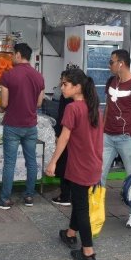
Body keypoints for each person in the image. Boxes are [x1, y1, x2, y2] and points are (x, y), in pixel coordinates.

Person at [46, 68, 103, 260]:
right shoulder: (94, 107)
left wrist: (53, 161)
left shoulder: (72, 108)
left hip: (80, 165)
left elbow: (64, 138)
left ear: (77, 87)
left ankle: (88, 252)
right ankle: (70, 234)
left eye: (65, 84)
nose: (62, 88)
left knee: (81, 208)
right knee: (80, 201)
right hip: (93, 164)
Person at [0, 43, 45, 209]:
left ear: (19, 55)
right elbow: (39, 103)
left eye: (14, 54)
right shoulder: (39, 77)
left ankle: (5, 199)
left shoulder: (9, 75)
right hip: (30, 126)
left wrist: (1, 108)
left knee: (10, 163)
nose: (13, 57)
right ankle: (29, 196)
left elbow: (4, 103)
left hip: (12, 125)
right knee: (31, 162)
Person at [101, 49, 131, 229]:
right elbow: (108, 107)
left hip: (129, 137)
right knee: (98, 173)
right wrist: (102, 130)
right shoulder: (111, 81)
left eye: (111, 62)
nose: (109, 65)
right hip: (108, 136)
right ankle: (95, 209)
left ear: (121, 63)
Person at [51, 70, 74, 206]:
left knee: (64, 164)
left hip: (66, 135)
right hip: (70, 136)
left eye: (64, 82)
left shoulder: (68, 99)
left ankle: (66, 195)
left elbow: (62, 118)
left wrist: (58, 134)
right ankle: (68, 194)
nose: (61, 85)